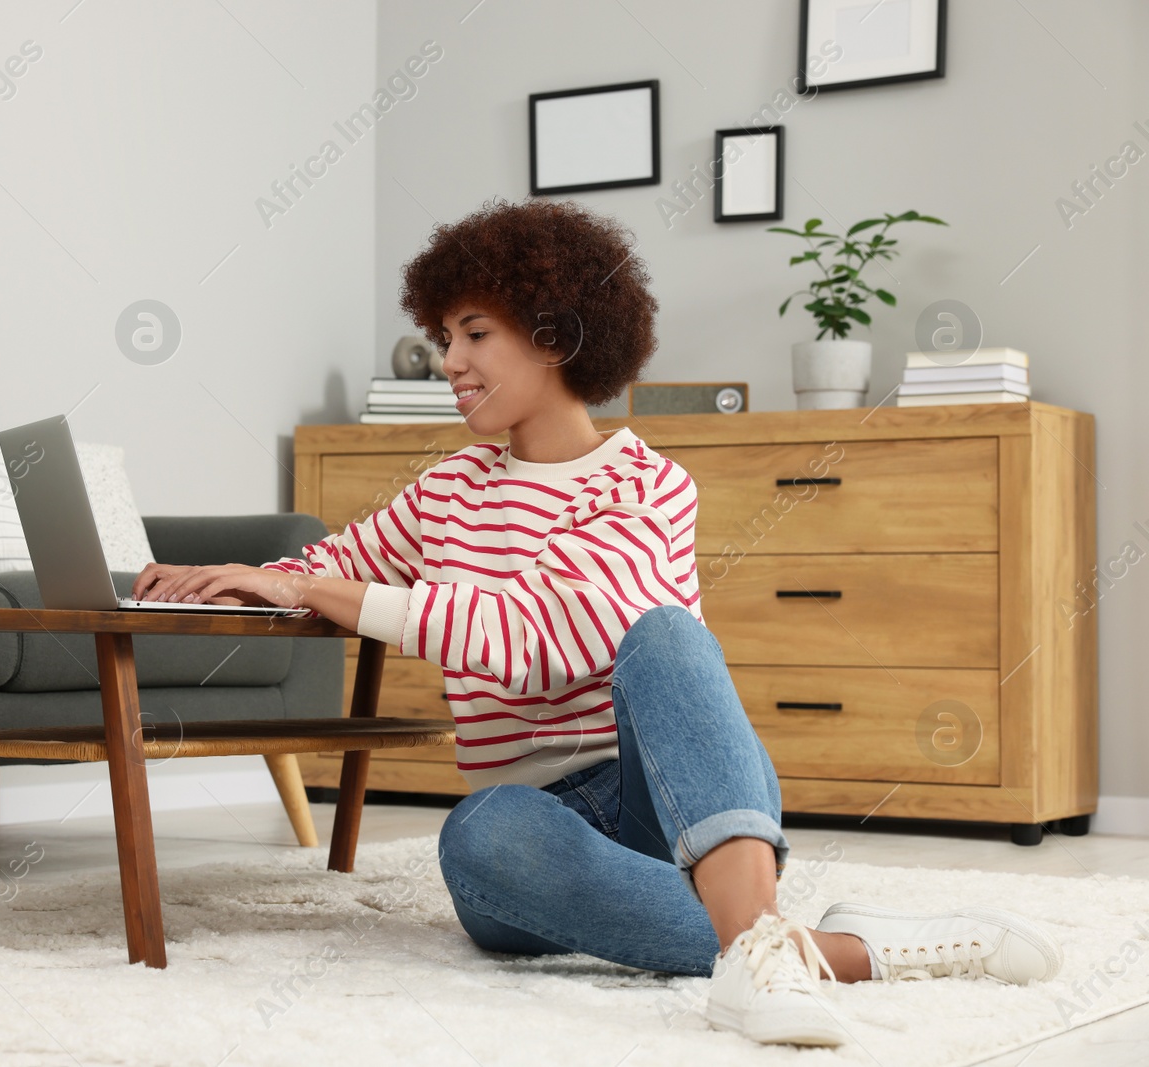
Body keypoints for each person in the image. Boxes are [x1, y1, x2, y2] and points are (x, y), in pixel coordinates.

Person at [131, 198, 1061, 1047]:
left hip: (657, 803)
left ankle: (770, 949)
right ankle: (820, 947)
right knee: (477, 838)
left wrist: (325, 596)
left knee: (667, 637)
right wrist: (246, 579)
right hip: (533, 824)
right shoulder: (452, 487)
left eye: (475, 334)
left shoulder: (646, 486)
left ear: (555, 336)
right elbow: (339, 561)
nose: (450, 361)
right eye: (444, 335)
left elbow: (536, 641)